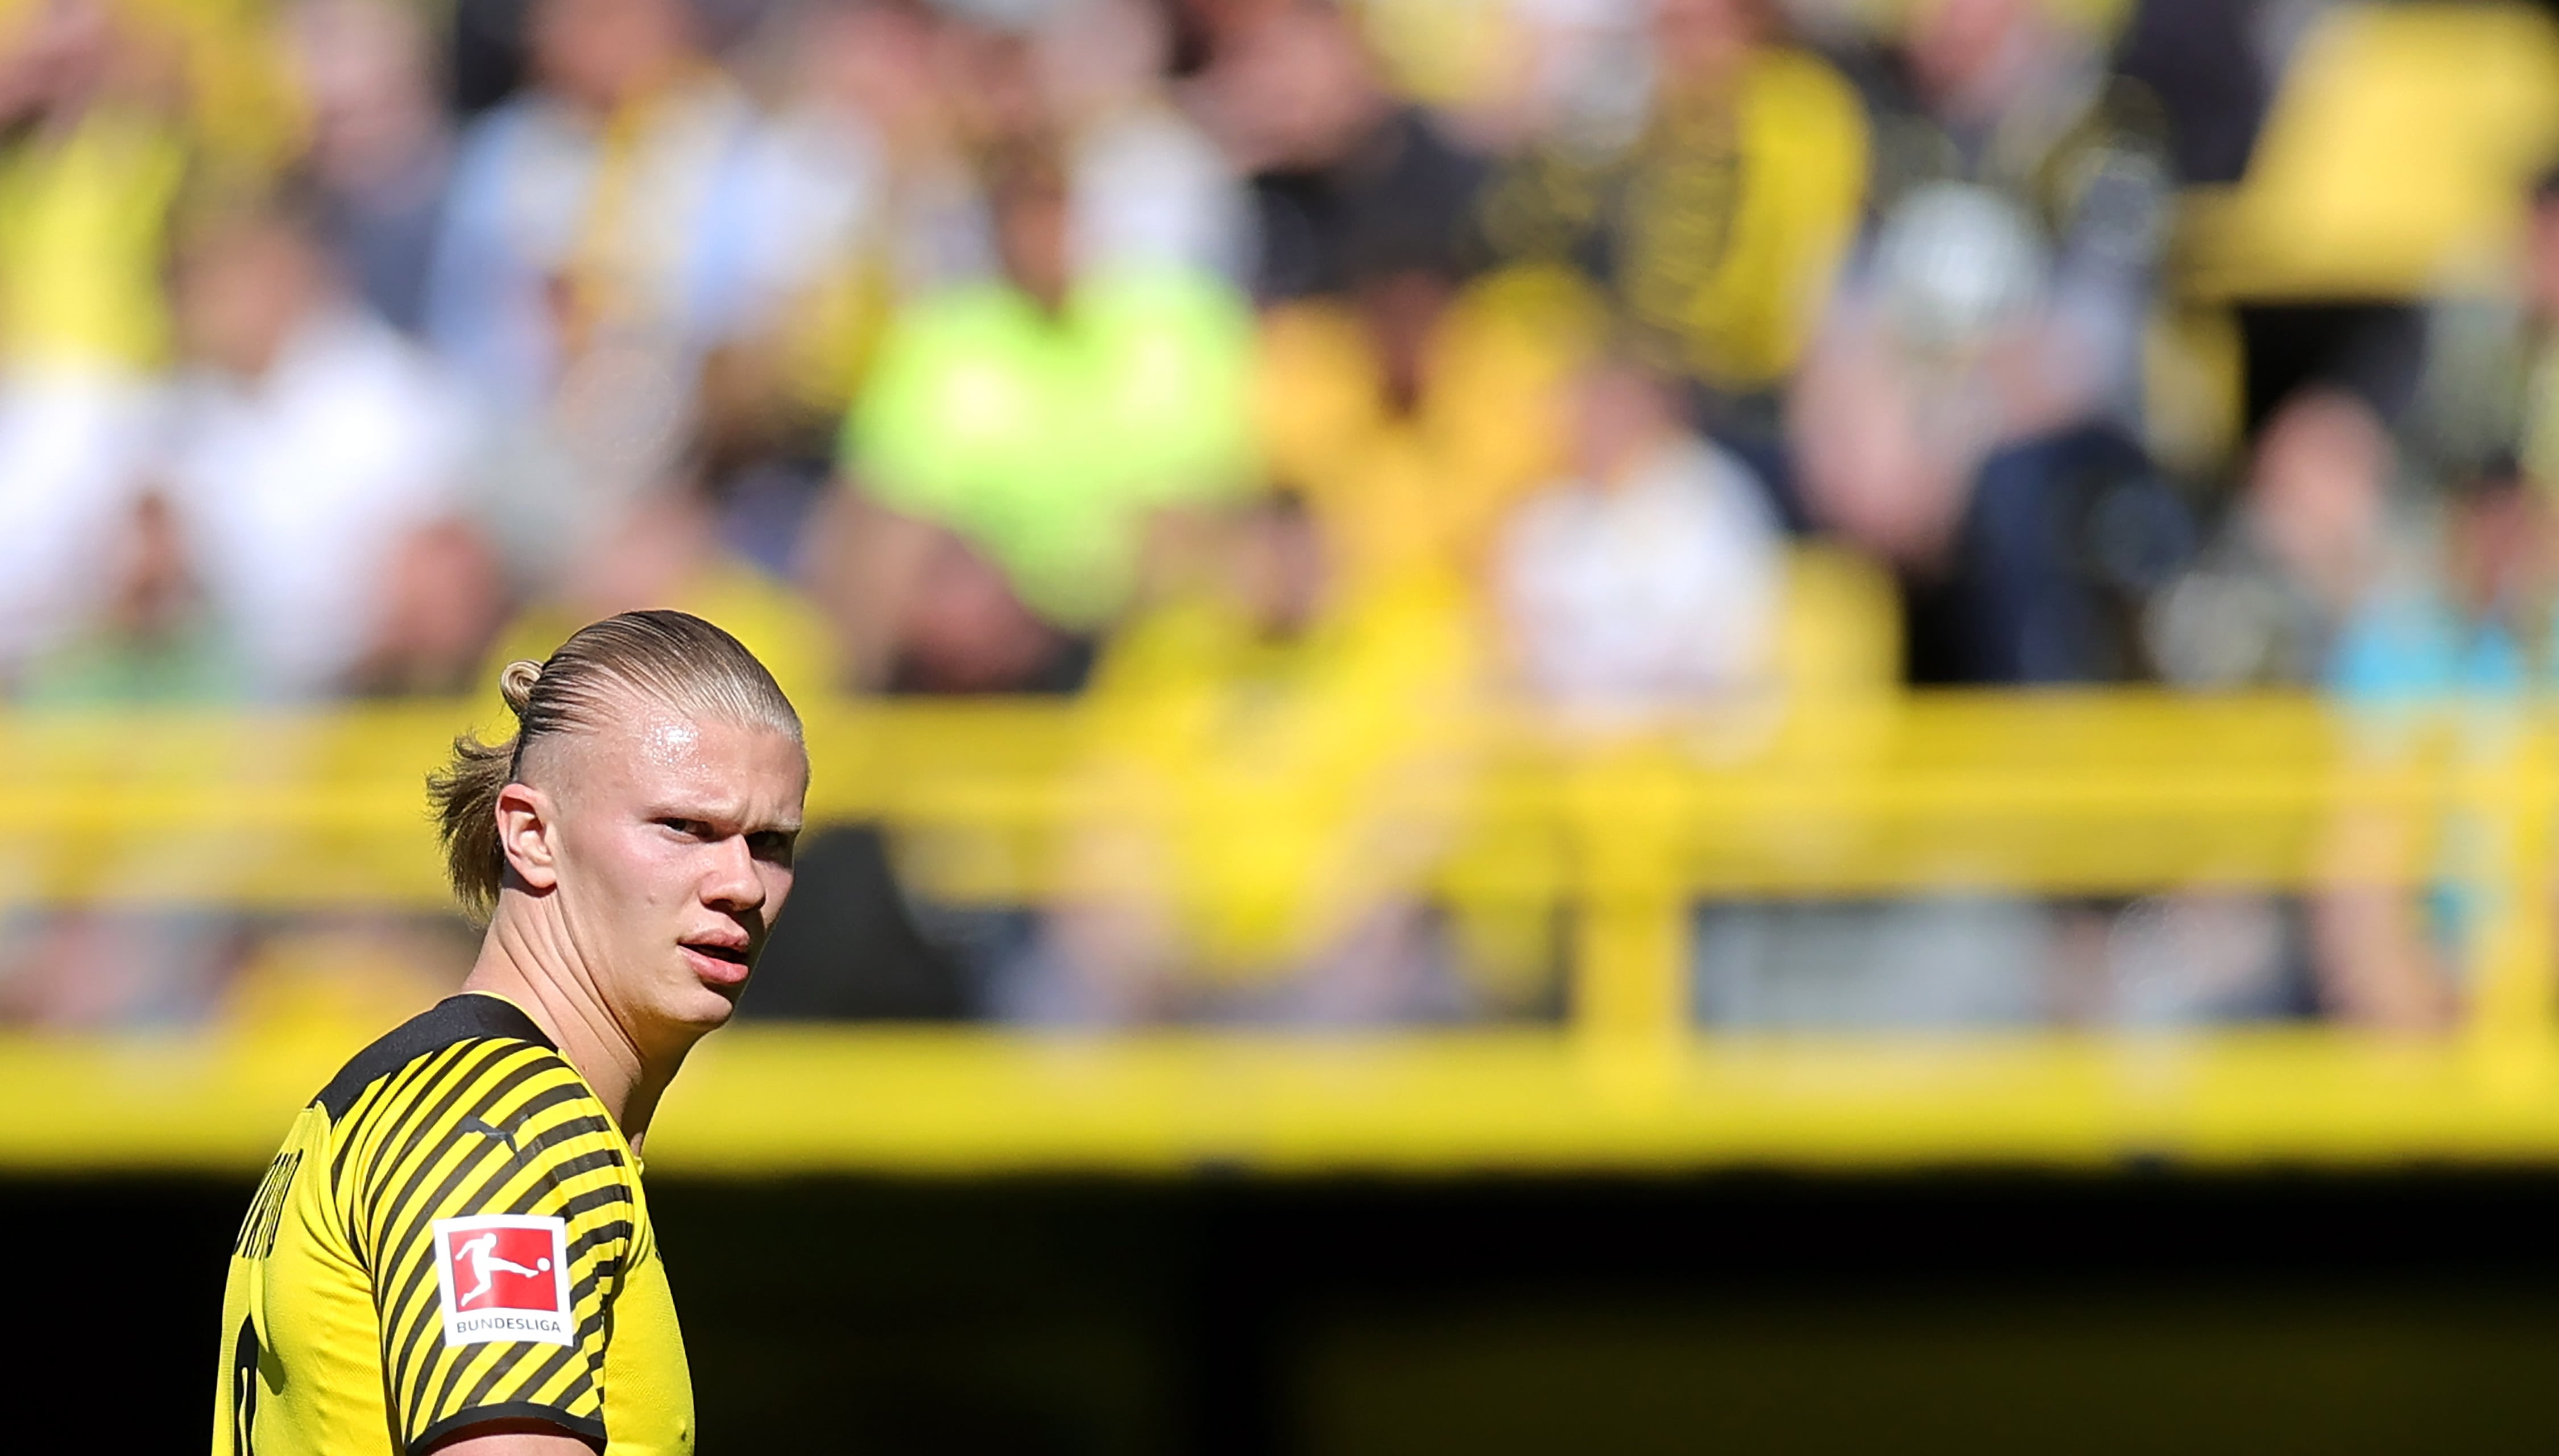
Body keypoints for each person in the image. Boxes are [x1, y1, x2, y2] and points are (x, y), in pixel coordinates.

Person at [213, 610, 808, 1455]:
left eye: (772, 841)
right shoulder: (502, 1125)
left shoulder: (415, 1096)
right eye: (685, 827)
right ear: (531, 834)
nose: (741, 882)